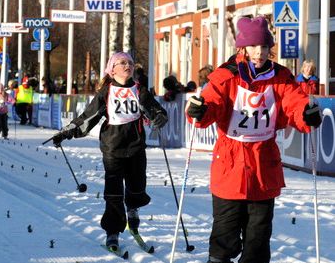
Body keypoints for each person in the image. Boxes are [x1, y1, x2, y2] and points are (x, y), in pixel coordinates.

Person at [185, 16, 323, 263]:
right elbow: (211, 103)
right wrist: (199, 110)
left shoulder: (280, 77)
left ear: (270, 48)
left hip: (263, 167)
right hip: (230, 166)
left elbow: (294, 103)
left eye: (263, 47)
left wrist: (306, 114)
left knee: (257, 241)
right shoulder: (226, 76)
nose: (259, 53)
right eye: (253, 47)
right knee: (224, 239)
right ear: (242, 48)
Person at [51, 52, 168, 251]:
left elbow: (156, 110)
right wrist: (66, 132)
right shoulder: (106, 92)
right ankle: (112, 232)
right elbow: (88, 117)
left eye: (130, 62)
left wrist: (159, 117)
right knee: (113, 194)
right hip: (112, 148)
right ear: (112, 69)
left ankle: (132, 212)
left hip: (136, 147)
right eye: (122, 63)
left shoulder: (140, 90)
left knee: (137, 187)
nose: (127, 65)